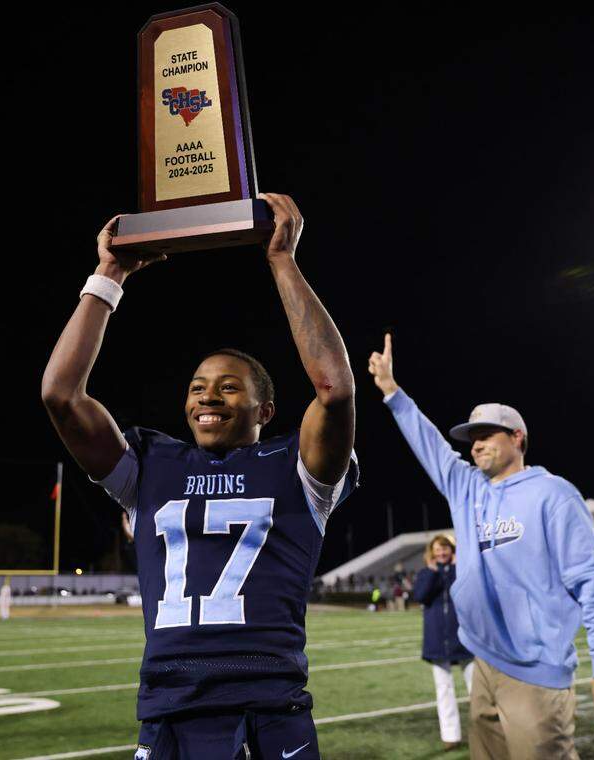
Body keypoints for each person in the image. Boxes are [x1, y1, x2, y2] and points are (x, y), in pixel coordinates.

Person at [41, 194, 358, 760]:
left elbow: (335, 390)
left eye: (229, 386)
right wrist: (107, 276)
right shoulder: (151, 468)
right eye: (195, 387)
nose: (207, 396)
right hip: (169, 710)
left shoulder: (298, 471)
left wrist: (282, 261)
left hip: (267, 709)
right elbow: (60, 395)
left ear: (265, 410)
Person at [368, 333, 594, 759]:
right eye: (472, 437)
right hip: (484, 665)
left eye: (488, 434)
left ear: (519, 438)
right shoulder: (466, 487)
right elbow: (431, 445)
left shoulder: (554, 494)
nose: (475, 444)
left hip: (536, 674)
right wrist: (392, 392)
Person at [414, 533, 475, 751]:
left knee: (476, 688)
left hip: (465, 638)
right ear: (431, 552)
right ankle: (450, 735)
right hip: (437, 639)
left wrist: (458, 567)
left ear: (452, 550)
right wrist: (432, 572)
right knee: (444, 688)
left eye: (445, 548)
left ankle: (482, 731)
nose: (441, 552)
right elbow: (420, 595)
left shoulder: (463, 569)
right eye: (437, 549)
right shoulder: (425, 573)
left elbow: (469, 590)